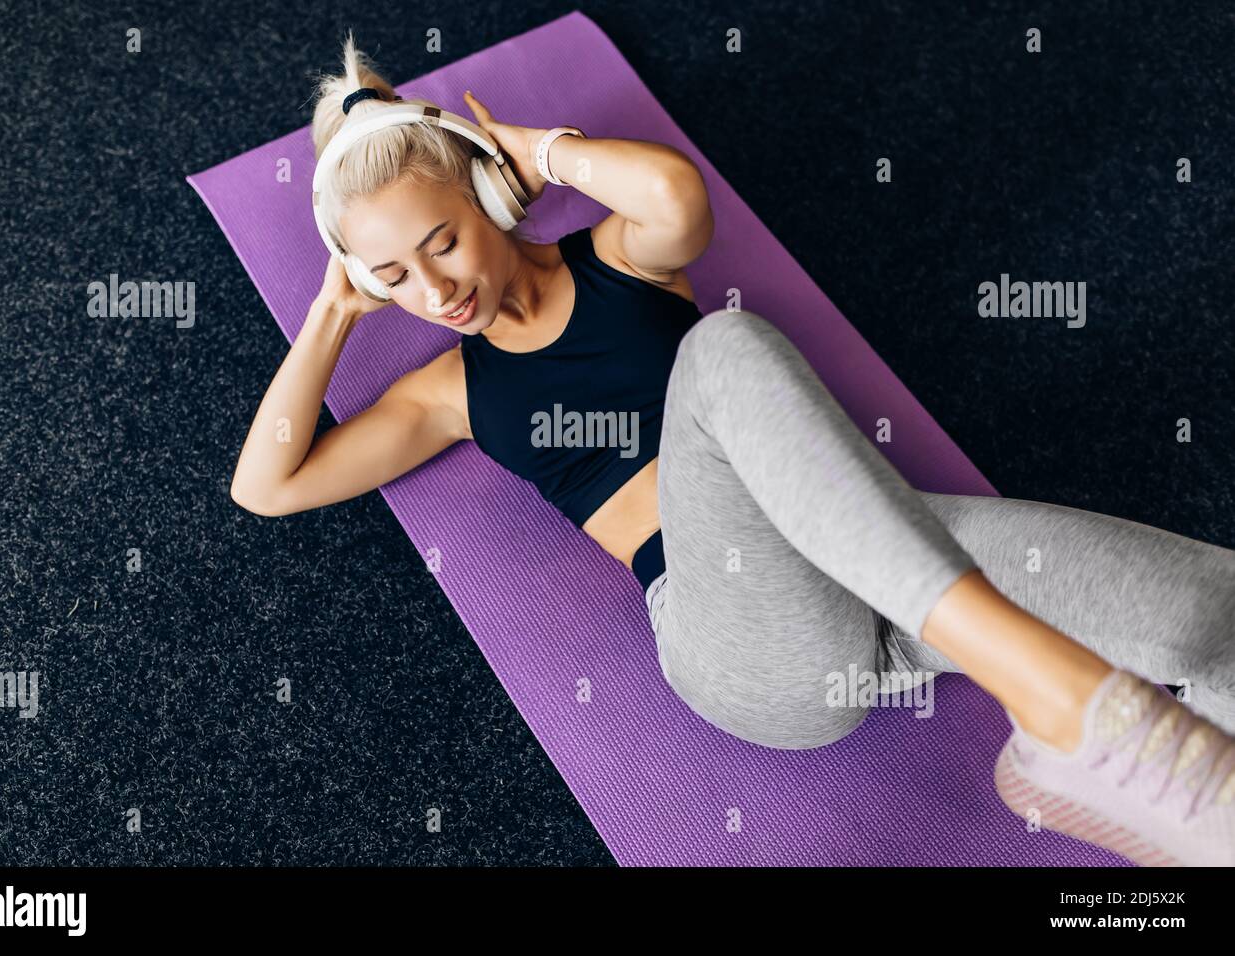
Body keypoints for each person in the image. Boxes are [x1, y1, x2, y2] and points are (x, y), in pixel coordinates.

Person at [230, 33, 1235, 866]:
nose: (431, 287)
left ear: (489, 199)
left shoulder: (620, 258)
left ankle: (1130, 775)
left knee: (1206, 610)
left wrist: (534, 149)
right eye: (394, 274)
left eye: (442, 240)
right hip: (737, 643)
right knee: (720, 349)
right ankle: (1059, 706)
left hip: (875, 566)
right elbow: (270, 482)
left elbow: (673, 196)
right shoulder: (448, 393)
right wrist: (331, 311)